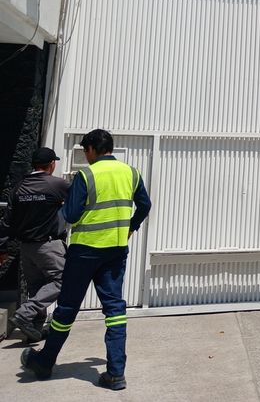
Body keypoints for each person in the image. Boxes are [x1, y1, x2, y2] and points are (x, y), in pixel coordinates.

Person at [20, 129, 151, 390]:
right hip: (115, 250)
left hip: (84, 252)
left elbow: (70, 214)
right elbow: (145, 205)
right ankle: (116, 373)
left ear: (92, 149)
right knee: (115, 310)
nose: (85, 155)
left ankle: (45, 362)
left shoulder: (86, 175)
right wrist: (131, 227)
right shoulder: (132, 173)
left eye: (85, 151)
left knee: (67, 309)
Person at [0, 147, 69, 343]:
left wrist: (2, 248)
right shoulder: (56, 184)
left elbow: (6, 221)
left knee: (36, 287)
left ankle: (34, 330)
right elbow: (79, 201)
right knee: (62, 281)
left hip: (26, 248)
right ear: (52, 164)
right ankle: (24, 314)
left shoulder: (19, 187)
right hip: (49, 246)